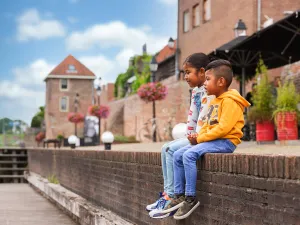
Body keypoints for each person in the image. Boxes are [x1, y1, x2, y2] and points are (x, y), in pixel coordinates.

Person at [165, 60, 250, 220]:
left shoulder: (230, 101)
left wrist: (201, 139)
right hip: (213, 140)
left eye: (208, 79)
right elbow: (207, 125)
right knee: (177, 155)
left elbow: (223, 128)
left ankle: (190, 198)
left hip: (226, 141)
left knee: (189, 156)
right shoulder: (215, 100)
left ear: (221, 81)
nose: (205, 83)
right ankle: (179, 195)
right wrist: (197, 136)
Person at [146, 53, 213, 218]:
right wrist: (189, 135)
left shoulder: (209, 91)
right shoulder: (196, 91)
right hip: (195, 136)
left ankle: (174, 195)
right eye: (184, 73)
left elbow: (206, 118)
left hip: (203, 137)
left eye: (188, 72)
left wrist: (195, 137)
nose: (185, 76)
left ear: (202, 72)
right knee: (165, 148)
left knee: (170, 150)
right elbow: (192, 116)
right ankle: (168, 194)